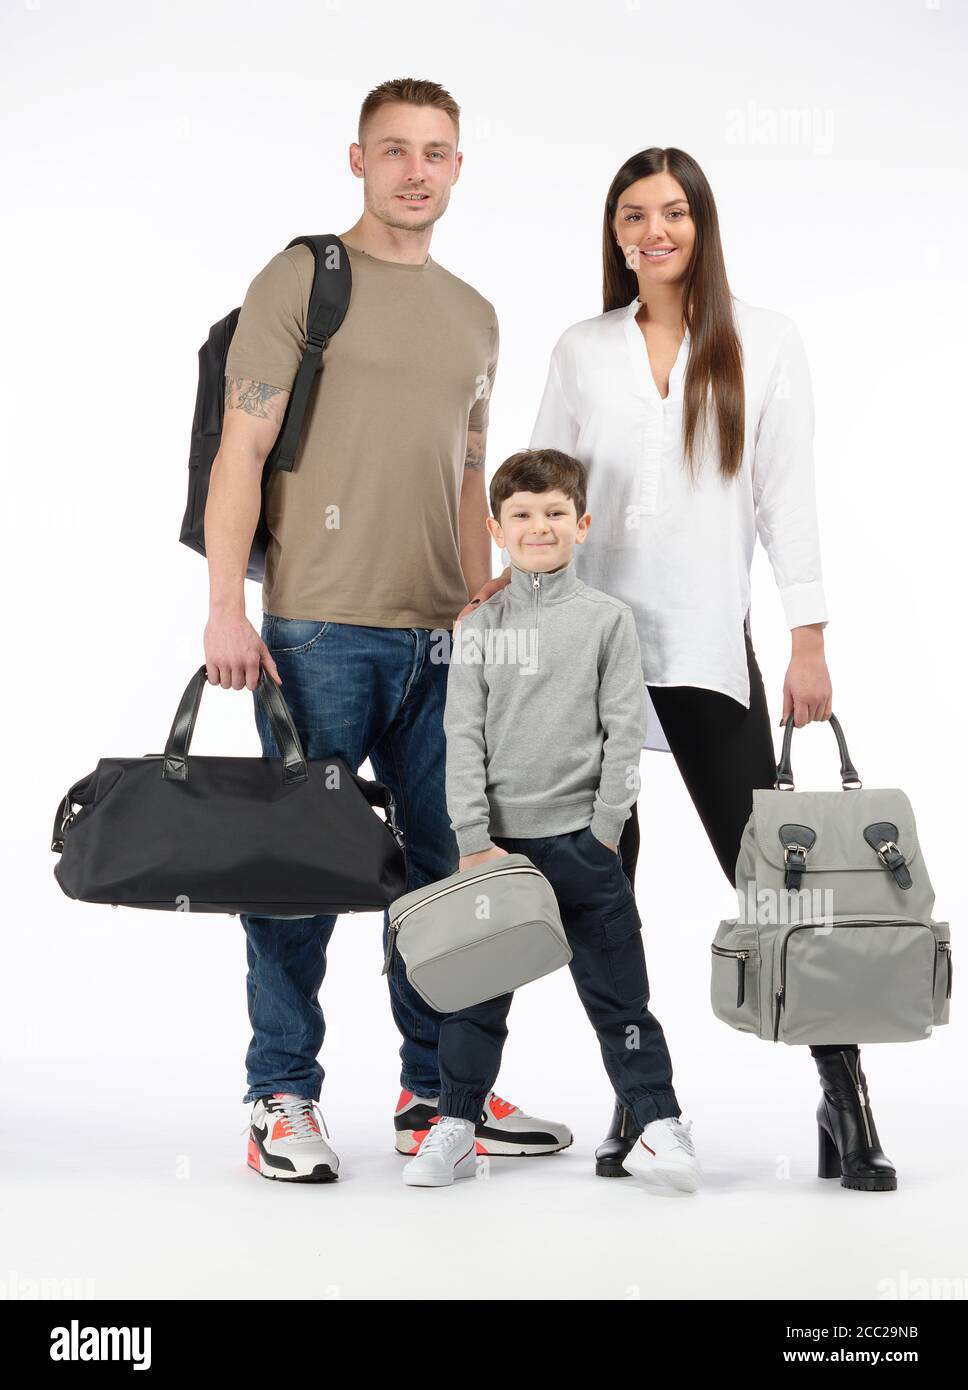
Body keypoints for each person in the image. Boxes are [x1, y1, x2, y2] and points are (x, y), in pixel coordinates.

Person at [471, 147, 895, 1193]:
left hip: (707, 645)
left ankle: (843, 1094)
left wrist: (807, 634)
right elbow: (539, 486)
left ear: (699, 223)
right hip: (585, 650)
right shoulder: (582, 347)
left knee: (771, 875)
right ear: (613, 233)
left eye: (670, 213)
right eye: (631, 216)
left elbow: (782, 494)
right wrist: (497, 594)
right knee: (600, 882)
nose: (651, 232)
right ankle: (637, 1094)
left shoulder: (763, 340)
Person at [203, 77, 570, 1183]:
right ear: (357, 160)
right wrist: (227, 604)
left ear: (459, 167)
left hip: (441, 640)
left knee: (445, 871)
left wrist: (481, 603)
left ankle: (432, 1097)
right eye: (396, 149)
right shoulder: (301, 279)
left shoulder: (474, 315)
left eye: (438, 152)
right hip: (318, 628)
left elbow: (469, 476)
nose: (417, 169)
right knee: (298, 872)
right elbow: (241, 451)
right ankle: (282, 1097)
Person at [402, 449, 701, 1193]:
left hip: (584, 847)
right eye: (523, 515)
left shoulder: (608, 621)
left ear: (583, 524)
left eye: (556, 513)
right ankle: (457, 1126)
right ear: (496, 529)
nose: (540, 527)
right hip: (495, 857)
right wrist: (473, 840)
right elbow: (460, 738)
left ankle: (659, 1125)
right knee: (475, 1001)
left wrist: (605, 830)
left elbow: (623, 731)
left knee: (620, 996)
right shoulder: (477, 628)